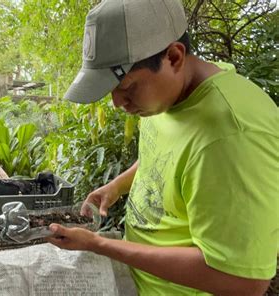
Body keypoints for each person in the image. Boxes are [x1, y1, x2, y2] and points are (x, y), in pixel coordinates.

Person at [47, 0, 278, 295]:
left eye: (127, 87)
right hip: (137, 277)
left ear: (173, 56)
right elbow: (168, 155)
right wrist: (118, 185)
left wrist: (100, 245)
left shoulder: (233, 137)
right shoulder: (171, 95)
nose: (117, 103)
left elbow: (243, 281)